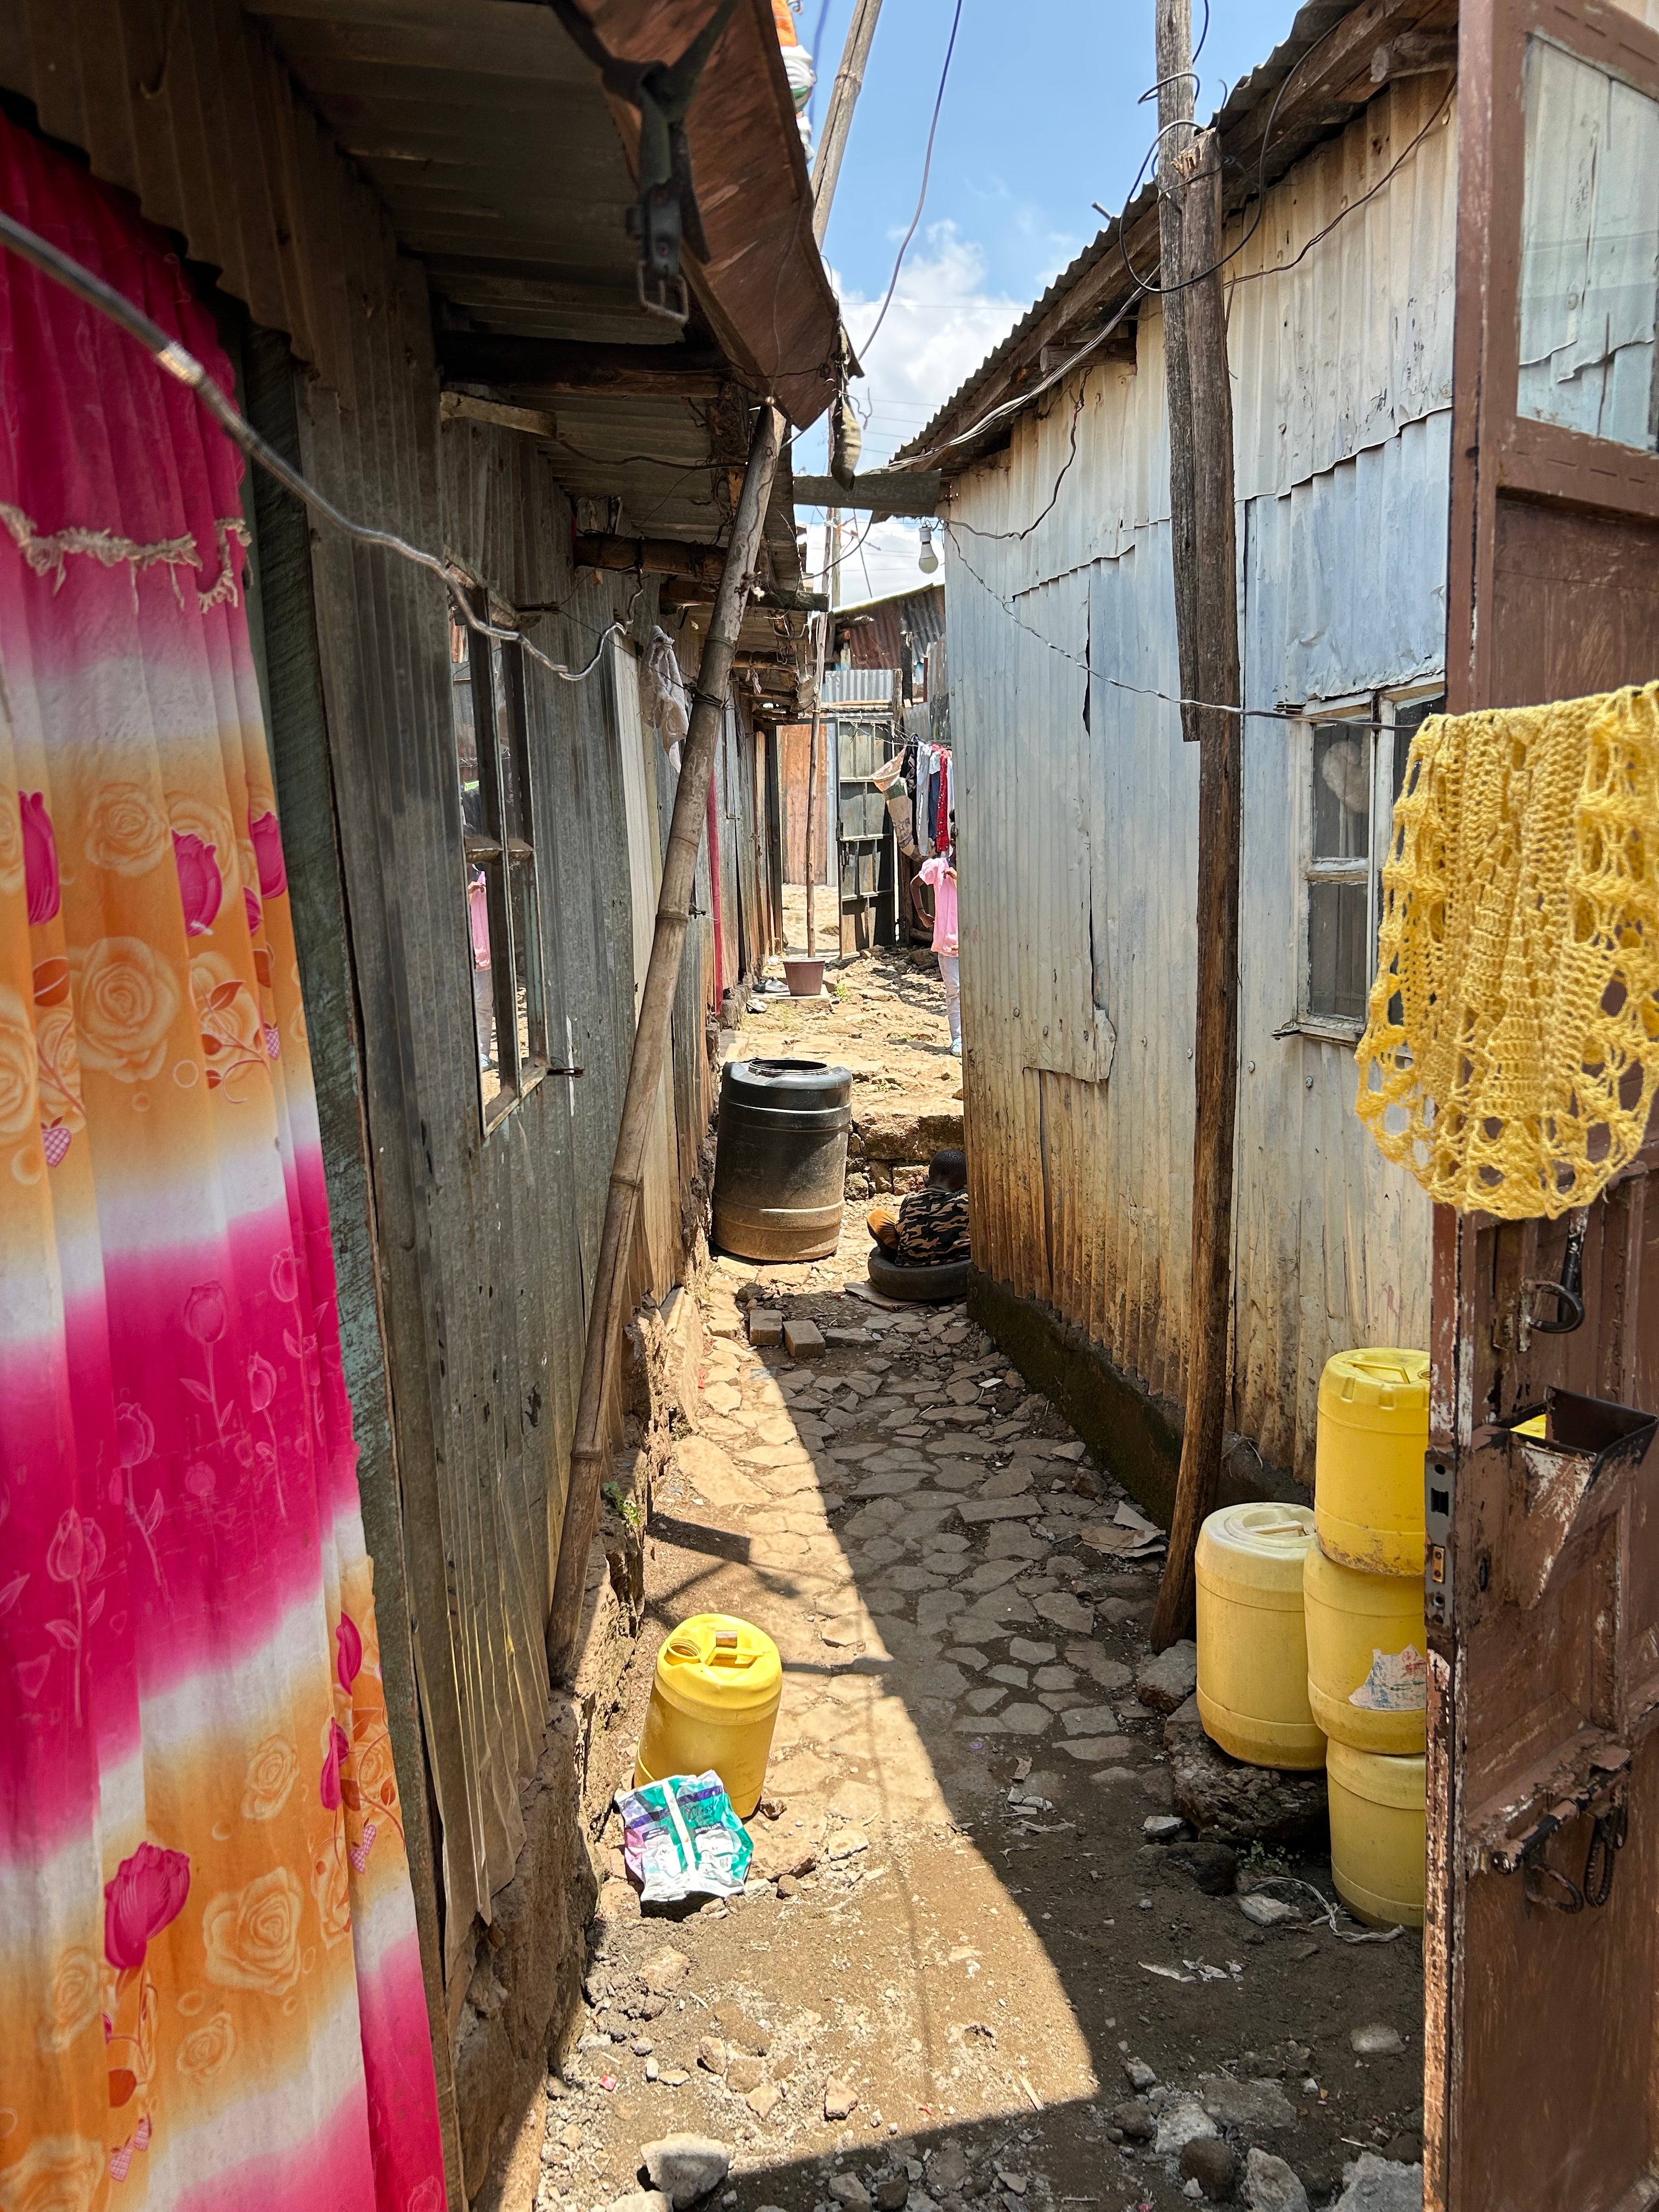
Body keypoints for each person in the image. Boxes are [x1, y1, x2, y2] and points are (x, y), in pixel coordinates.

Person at [867, 1147, 971, 1266]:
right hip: (959, 1262)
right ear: (966, 1184)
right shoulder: (967, 1200)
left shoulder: (910, 1201)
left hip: (911, 1267)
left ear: (927, 1180)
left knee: (877, 1217)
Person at [917, 820, 960, 1055]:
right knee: (955, 990)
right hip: (948, 943)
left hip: (975, 942)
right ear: (953, 843)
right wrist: (923, 914)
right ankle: (958, 1037)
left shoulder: (978, 870)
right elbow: (916, 884)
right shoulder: (938, 867)